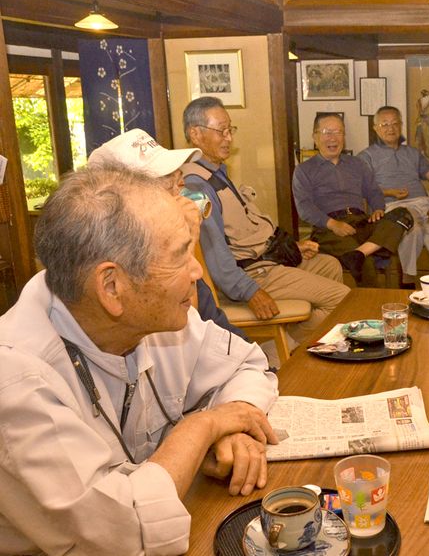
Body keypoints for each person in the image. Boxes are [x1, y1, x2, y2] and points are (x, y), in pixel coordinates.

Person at [0, 165, 279, 554]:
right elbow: (121, 534)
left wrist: (235, 421)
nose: (198, 271)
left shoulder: (156, 320)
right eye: (181, 255)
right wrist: (203, 427)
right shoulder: (15, 382)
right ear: (112, 287)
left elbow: (248, 364)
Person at [181, 97, 349, 345]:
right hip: (254, 273)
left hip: (266, 259)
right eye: (221, 131)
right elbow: (215, 256)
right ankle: (282, 347)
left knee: (330, 265)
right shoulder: (197, 187)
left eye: (230, 130)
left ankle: (310, 339)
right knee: (342, 298)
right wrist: (250, 291)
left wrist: (293, 247)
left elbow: (246, 231)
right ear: (195, 134)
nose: (229, 138)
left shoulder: (217, 173)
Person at [87, 128, 247, 340]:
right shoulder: (129, 272)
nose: (183, 189)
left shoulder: (166, 252)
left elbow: (214, 329)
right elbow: (187, 332)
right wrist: (187, 242)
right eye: (169, 182)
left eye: (180, 179)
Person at [292, 113, 413, 286]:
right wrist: (333, 224)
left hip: (361, 222)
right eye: (327, 132)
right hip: (328, 229)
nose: (333, 138)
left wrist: (378, 208)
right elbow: (304, 208)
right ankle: (369, 307)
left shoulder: (357, 164)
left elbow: (373, 191)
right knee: (366, 263)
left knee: (403, 215)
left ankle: (359, 253)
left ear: (344, 136)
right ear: (315, 137)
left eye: (338, 132)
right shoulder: (304, 170)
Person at [358, 106, 429, 284]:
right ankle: (409, 279)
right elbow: (362, 188)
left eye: (395, 123)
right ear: (375, 128)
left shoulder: (412, 152)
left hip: (424, 202)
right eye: (385, 124)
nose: (391, 128)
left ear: (401, 125)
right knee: (413, 228)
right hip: (393, 207)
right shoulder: (366, 156)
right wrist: (390, 192)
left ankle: (426, 244)